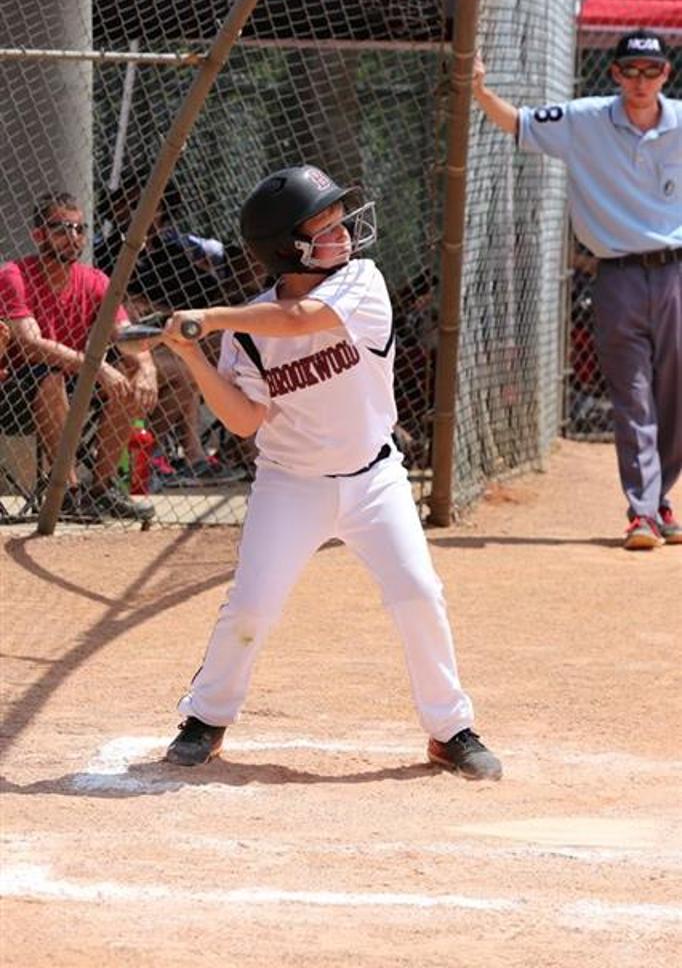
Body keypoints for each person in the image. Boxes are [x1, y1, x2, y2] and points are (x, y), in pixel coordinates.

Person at [159, 164, 502, 781]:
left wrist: (211, 317)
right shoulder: (247, 329)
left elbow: (298, 319)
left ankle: (450, 729)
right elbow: (244, 419)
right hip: (290, 484)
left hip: (375, 479)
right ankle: (205, 718)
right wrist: (194, 354)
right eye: (324, 227)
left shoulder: (361, 282)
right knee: (251, 607)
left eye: (340, 221)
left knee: (418, 593)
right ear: (285, 248)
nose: (343, 233)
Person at [472, 28, 682, 551]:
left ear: (666, 74)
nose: (640, 81)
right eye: (630, 71)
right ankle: (641, 512)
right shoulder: (585, 119)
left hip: (676, 273)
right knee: (632, 394)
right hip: (617, 276)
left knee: (676, 395)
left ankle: (659, 499)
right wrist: (478, 91)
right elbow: (519, 123)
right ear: (615, 74)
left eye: (650, 71)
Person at [0, 191, 157, 521]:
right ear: (38, 235)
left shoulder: (95, 280)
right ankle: (68, 493)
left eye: (79, 229)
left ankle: (101, 489)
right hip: (15, 386)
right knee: (50, 376)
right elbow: (30, 344)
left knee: (129, 376)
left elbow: (125, 334)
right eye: (61, 229)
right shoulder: (14, 275)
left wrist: (146, 368)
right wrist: (96, 367)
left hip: (74, 379)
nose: (72, 237)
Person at [94, 172, 251, 485]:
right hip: (129, 345)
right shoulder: (107, 253)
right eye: (130, 205)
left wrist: (161, 310)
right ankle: (181, 456)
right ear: (117, 211)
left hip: (174, 336)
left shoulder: (172, 254)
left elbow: (205, 298)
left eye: (152, 206)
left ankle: (177, 455)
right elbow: (113, 306)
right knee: (188, 370)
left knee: (228, 345)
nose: (141, 213)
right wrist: (136, 305)